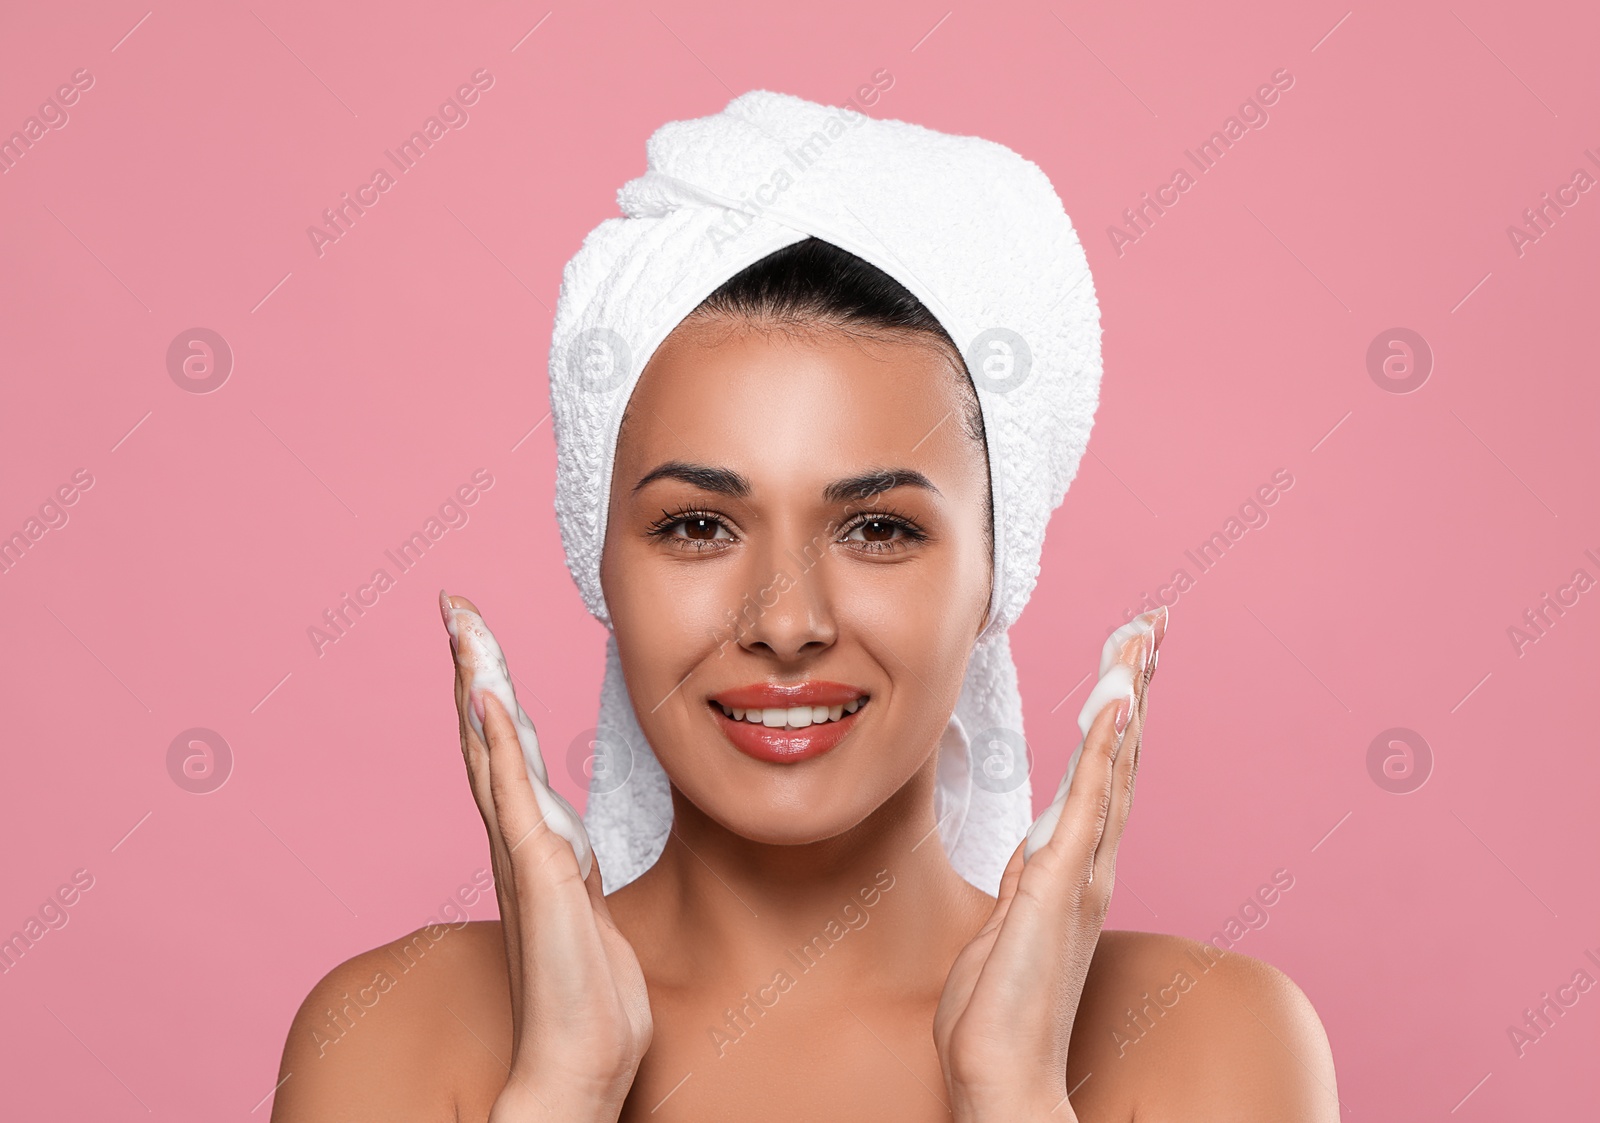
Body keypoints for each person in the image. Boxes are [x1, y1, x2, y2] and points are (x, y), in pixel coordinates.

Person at [271, 96, 1337, 1123]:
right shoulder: (394, 1032)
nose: (786, 623)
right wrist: (562, 1090)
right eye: (697, 525)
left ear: (994, 579)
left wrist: (1010, 1097)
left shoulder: (1205, 1041)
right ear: (597, 562)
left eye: (878, 528)